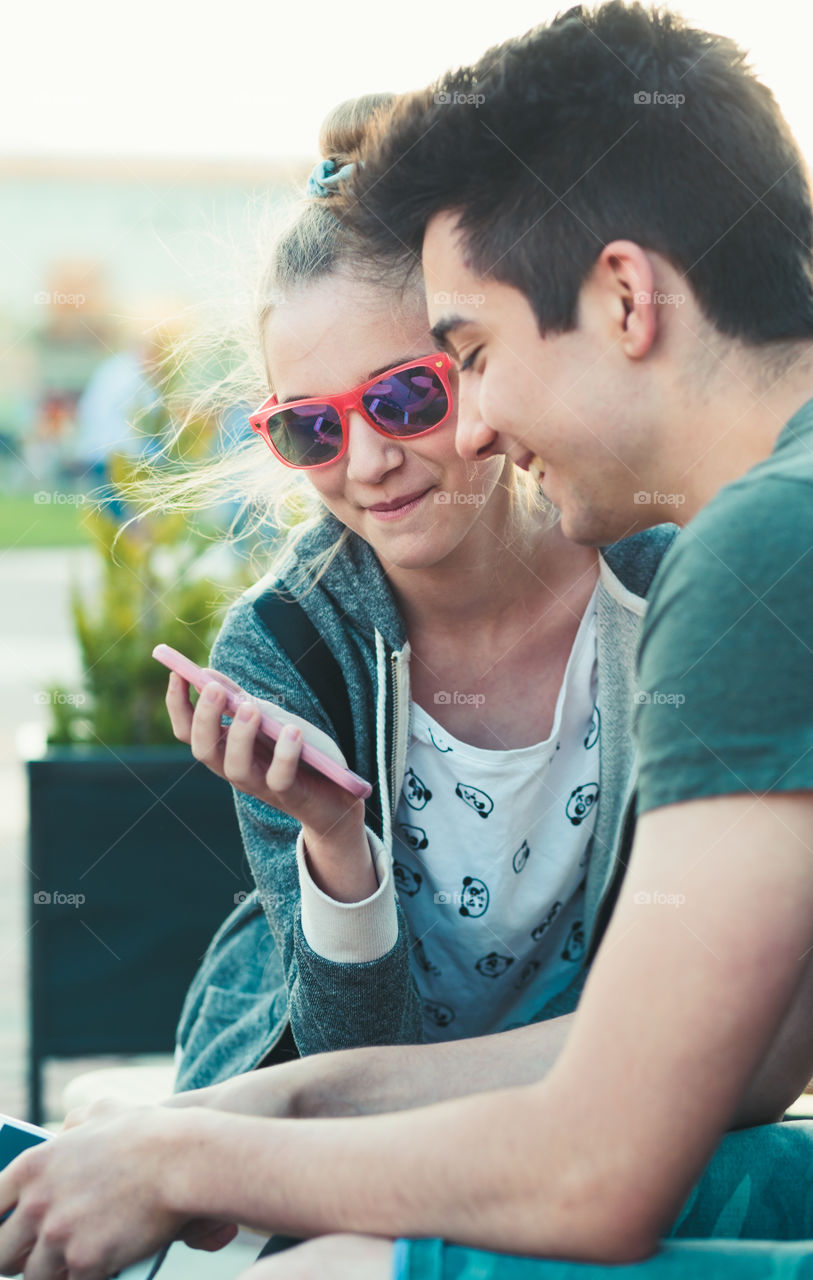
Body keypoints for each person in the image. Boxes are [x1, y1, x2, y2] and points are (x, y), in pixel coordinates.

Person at [0, 7, 813, 1279]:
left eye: (457, 364)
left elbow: (602, 1161)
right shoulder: (303, 640)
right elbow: (740, 1056)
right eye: (307, 427)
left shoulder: (749, 555)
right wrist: (263, 1102)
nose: (471, 426)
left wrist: (183, 1159)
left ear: (626, 296)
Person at [167, 93, 674, 1094]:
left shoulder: (660, 580)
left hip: (578, 1095)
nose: (368, 462)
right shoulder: (284, 646)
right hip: (332, 1094)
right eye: (311, 428)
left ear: (479, 364)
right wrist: (332, 839)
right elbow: (352, 1065)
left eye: (404, 399)